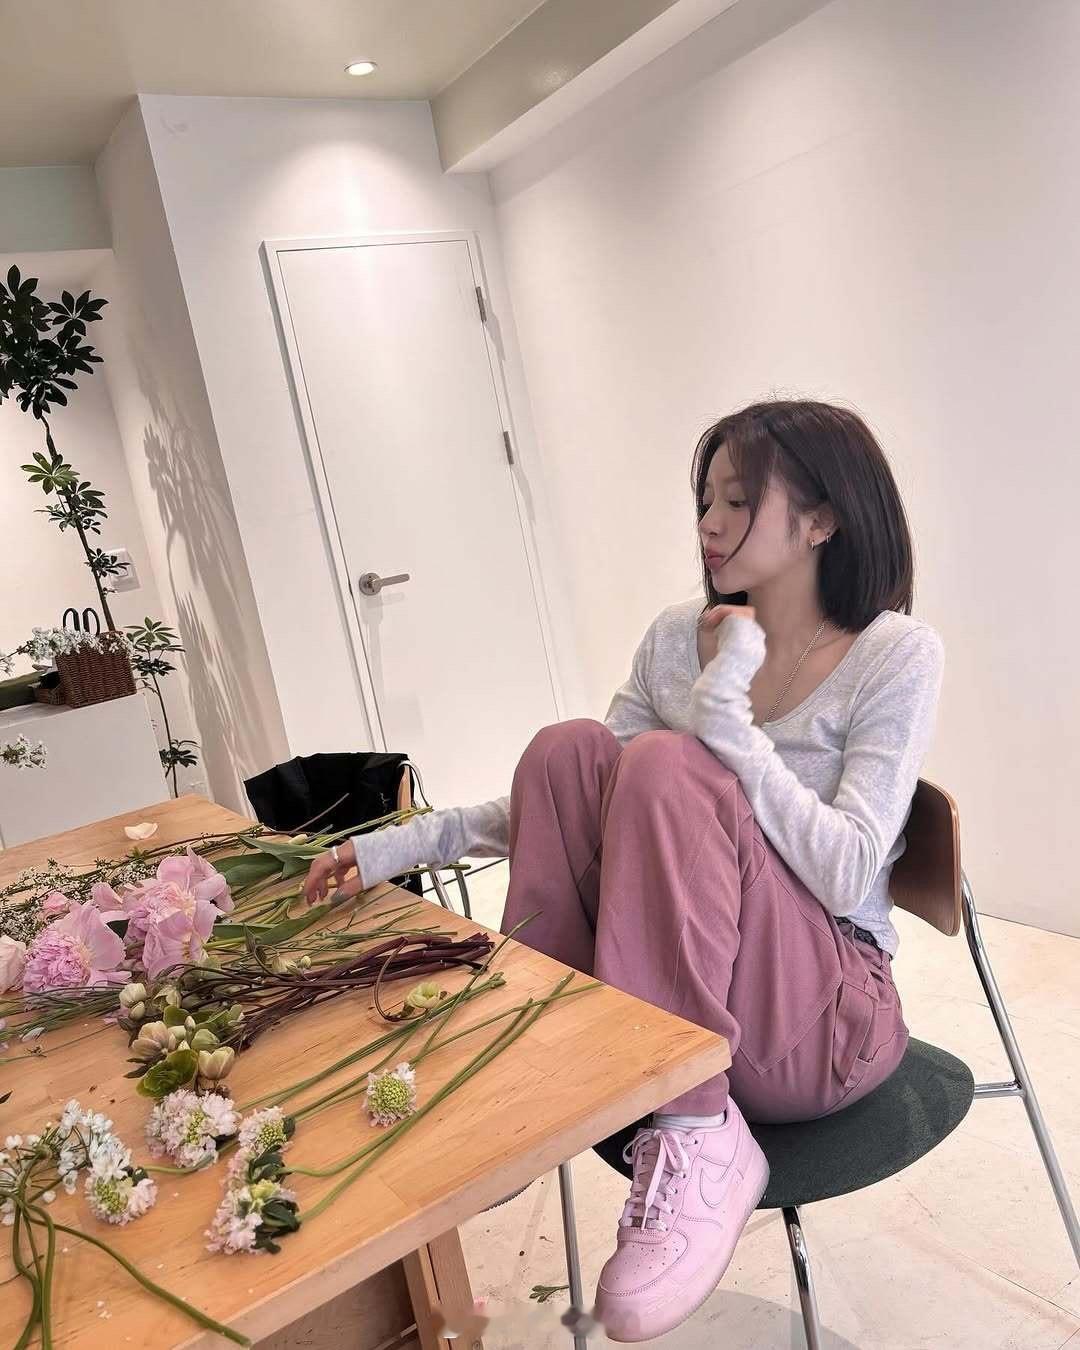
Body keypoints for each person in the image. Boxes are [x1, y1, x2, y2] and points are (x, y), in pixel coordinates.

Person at [303, 398, 945, 1343]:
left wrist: (727, 728)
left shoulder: (894, 653)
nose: (710, 523)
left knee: (669, 764)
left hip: (822, 1021)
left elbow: (851, 872)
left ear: (821, 520)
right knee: (569, 751)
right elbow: (578, 804)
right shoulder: (676, 636)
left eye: (739, 501)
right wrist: (400, 845)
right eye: (705, 499)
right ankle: (552, 1056)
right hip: (691, 1000)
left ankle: (696, 1132)